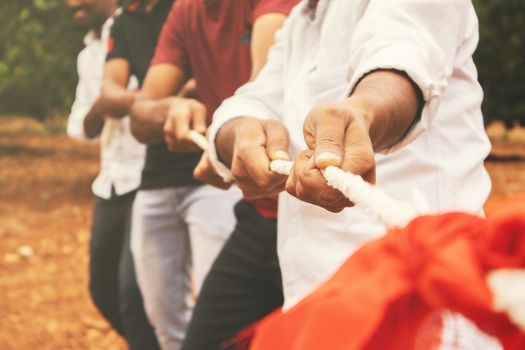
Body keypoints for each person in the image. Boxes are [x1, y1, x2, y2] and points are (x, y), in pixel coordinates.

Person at [204, 0, 496, 347]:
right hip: (319, 308)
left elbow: (402, 54)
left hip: (418, 315)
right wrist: (238, 133)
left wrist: (362, 112)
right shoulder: (300, 20)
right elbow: (253, 99)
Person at [129, 1, 298, 349]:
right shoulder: (185, 11)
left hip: (316, 213)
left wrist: (228, 137)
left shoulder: (270, 8)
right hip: (259, 217)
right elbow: (141, 114)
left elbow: (264, 92)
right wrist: (170, 107)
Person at [65, 0, 159, 349]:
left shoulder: (146, 28)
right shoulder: (88, 54)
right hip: (111, 183)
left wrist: (127, 100)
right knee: (103, 290)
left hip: (150, 177)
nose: (71, 3)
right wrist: (103, 104)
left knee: (134, 294)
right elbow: (79, 126)